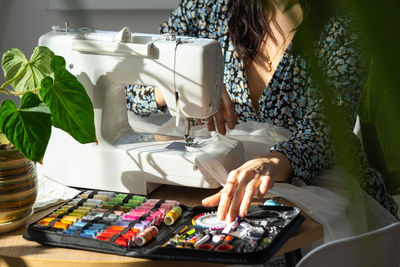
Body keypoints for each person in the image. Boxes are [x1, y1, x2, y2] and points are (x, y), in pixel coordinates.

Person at [126, 0, 398, 222]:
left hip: (319, 186)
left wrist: (271, 162)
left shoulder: (345, 24)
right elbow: (131, 89)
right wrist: (182, 80)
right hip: (219, 185)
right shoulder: (206, 9)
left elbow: (328, 129)